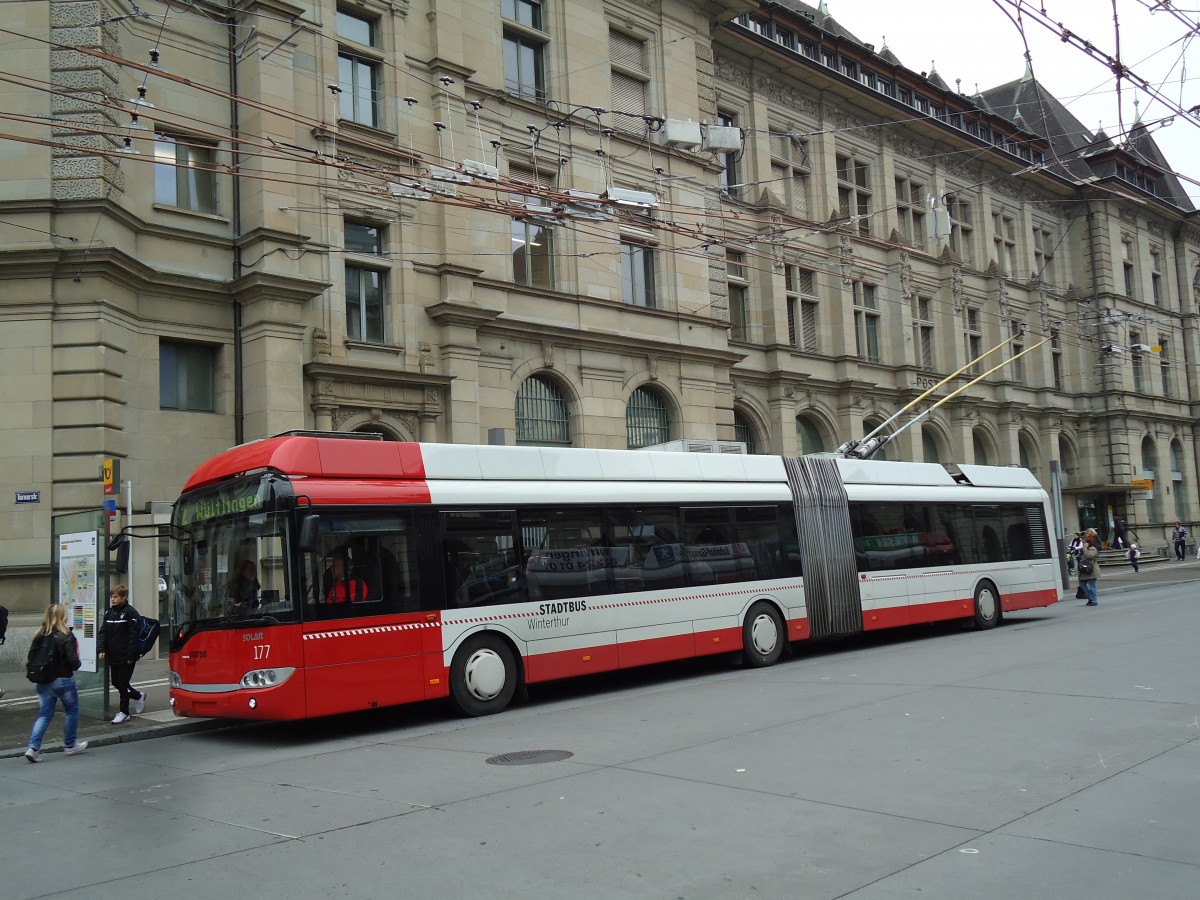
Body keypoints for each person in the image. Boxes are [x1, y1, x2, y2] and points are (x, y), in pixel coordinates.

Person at [24, 603, 88, 761]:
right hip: (62, 679)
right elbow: (73, 660)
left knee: (45, 714)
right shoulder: (66, 634)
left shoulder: (39, 634)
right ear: (62, 616)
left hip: (43, 680)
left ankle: (33, 748)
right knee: (71, 710)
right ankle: (70, 745)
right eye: (66, 614)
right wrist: (78, 664)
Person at [97, 584, 147, 724]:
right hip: (113, 654)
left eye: (115, 597)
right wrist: (101, 649)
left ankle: (124, 712)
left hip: (126, 655)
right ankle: (138, 696)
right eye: (111, 597)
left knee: (123, 683)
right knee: (116, 682)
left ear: (124, 597)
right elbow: (103, 632)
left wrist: (131, 655)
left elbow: (133, 636)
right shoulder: (109, 613)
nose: (112, 600)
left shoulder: (130, 613)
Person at [1078, 532, 1101, 606]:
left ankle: (1094, 600)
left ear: (1088, 543)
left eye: (1084, 543)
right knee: (1082, 584)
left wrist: (1085, 549)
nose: (1083, 544)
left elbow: (1089, 556)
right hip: (1084, 570)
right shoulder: (1084, 550)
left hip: (1091, 570)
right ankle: (1090, 598)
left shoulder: (1093, 549)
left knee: (1092, 585)